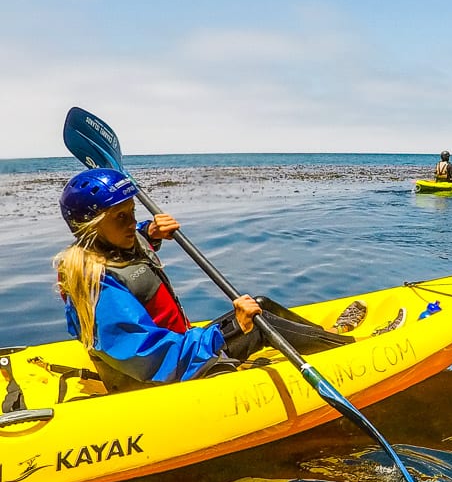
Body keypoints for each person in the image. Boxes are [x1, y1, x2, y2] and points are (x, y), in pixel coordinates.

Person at [54, 168, 391, 393]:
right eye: (121, 217)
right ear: (91, 227)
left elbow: (130, 258)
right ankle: (352, 349)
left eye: (133, 213)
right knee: (255, 321)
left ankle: (326, 339)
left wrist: (150, 233)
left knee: (259, 305)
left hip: (175, 354)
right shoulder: (96, 284)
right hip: (161, 377)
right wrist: (228, 332)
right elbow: (147, 355)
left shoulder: (105, 250)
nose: (132, 223)